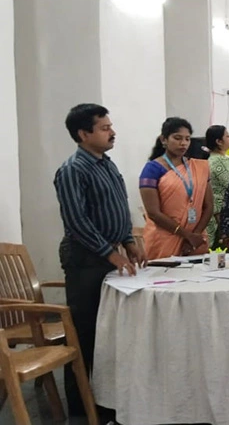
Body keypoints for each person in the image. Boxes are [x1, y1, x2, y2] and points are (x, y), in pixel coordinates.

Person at [55, 103, 145, 418]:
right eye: (105, 128)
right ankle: (81, 405)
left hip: (110, 253)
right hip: (86, 260)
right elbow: (77, 222)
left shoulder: (106, 164)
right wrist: (110, 252)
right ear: (83, 134)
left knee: (109, 330)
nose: (112, 132)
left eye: (110, 126)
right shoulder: (73, 169)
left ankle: (107, 397)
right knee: (85, 331)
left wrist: (129, 241)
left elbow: (118, 206)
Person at [139, 117, 213, 260]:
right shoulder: (152, 169)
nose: (183, 143)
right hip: (164, 239)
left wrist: (195, 235)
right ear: (164, 139)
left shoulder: (199, 167)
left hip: (195, 240)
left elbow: (209, 206)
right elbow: (153, 213)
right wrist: (186, 235)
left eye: (187, 139)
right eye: (177, 138)